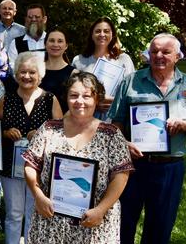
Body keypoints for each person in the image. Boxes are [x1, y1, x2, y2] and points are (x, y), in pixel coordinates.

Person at [23, 72, 133, 243]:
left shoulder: (111, 134)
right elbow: (30, 166)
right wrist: (38, 196)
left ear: (97, 99)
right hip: (51, 220)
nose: (79, 101)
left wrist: (101, 210)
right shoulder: (49, 129)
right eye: (73, 95)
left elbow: (121, 176)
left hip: (95, 222)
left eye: (86, 96)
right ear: (66, 98)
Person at [108, 33, 186, 244]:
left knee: (160, 226)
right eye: (154, 51)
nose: (158, 55)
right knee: (123, 224)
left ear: (177, 56)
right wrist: (124, 143)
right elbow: (116, 122)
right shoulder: (131, 81)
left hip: (169, 168)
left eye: (166, 52)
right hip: (133, 165)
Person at [0, 52, 63, 244]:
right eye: (22, 72)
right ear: (16, 74)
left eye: (32, 72)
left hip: (40, 167)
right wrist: (6, 132)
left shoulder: (50, 99)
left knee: (34, 211)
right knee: (14, 213)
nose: (27, 76)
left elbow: (61, 131)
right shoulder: (6, 99)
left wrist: (41, 135)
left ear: (40, 75)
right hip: (10, 165)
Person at [71, 17, 135, 115]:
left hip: (117, 117)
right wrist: (95, 102)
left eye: (106, 31)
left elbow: (131, 90)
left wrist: (115, 102)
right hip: (86, 117)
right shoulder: (79, 60)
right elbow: (73, 91)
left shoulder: (124, 59)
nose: (102, 34)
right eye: (97, 31)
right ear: (91, 35)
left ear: (112, 34)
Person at [40, 29, 75, 113]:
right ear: (45, 44)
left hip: (62, 123)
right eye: (52, 40)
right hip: (36, 123)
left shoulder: (74, 74)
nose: (55, 44)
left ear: (66, 46)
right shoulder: (35, 70)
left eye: (60, 41)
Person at [7, 4, 48, 71]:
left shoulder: (53, 41)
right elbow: (12, 67)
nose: (33, 19)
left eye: (37, 17)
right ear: (26, 19)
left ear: (44, 19)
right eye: (30, 17)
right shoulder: (16, 43)